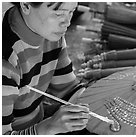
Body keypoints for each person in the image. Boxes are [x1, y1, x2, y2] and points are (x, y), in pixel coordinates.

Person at [2, 2, 90, 135]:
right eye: (58, 14)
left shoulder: (50, 33)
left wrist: (94, 99)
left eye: (71, 12)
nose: (66, 22)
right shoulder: (6, 60)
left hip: (37, 120)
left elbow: (67, 88)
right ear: (26, 5)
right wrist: (49, 127)